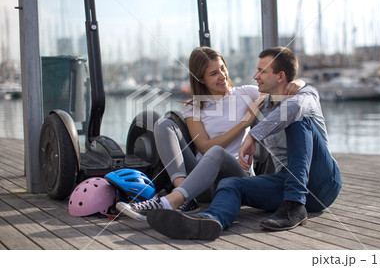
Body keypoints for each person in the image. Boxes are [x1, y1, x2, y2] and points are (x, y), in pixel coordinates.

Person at [146, 46, 342, 240]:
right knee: (231, 185)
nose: (255, 76)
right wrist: (247, 126)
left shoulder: (307, 95)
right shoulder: (261, 105)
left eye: (261, 71)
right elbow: (206, 145)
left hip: (323, 182)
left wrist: (253, 134)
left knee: (298, 121)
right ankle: (210, 220)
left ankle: (294, 204)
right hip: (287, 182)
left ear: (280, 76)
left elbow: (293, 108)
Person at [116, 47, 304, 220]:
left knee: (217, 153)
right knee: (163, 124)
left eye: (223, 68)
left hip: (235, 176)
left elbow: (279, 93)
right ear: (201, 79)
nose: (222, 75)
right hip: (200, 182)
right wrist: (243, 123)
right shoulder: (193, 106)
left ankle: (174, 200)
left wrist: (297, 82)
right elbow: (204, 146)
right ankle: (183, 196)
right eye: (214, 73)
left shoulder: (246, 93)